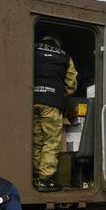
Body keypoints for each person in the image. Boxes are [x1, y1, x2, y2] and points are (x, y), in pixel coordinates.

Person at [33, 34, 78, 192]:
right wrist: (59, 95)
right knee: (51, 142)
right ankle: (45, 180)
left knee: (37, 140)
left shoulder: (32, 48)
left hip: (31, 100)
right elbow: (71, 84)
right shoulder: (65, 56)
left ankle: (35, 175)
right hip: (51, 103)